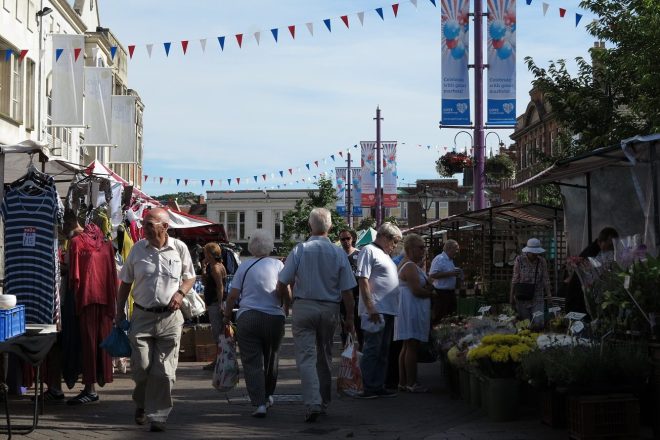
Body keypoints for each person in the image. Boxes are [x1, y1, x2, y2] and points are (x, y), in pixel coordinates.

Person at [115, 208, 195, 433]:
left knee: (165, 372)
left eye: (149, 224)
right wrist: (119, 311)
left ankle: (158, 415)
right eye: (143, 224)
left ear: (165, 227)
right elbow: (125, 283)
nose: (144, 229)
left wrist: (180, 293)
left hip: (170, 318)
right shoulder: (138, 249)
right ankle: (141, 402)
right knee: (141, 367)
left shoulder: (179, 248)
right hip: (142, 316)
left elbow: (190, 277)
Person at [277, 208, 356, 422]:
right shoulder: (338, 252)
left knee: (306, 357)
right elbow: (347, 289)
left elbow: (283, 280)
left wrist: (287, 302)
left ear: (310, 226)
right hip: (330, 308)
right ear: (330, 227)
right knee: (325, 355)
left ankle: (313, 403)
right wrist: (350, 317)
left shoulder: (300, 249)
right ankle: (324, 400)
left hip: (304, 307)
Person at [223, 230, 287, 418]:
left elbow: (233, 295)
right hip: (274, 317)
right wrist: (286, 307)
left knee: (252, 362)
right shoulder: (278, 265)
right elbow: (286, 290)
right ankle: (267, 395)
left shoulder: (244, 266)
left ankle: (259, 403)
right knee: (271, 359)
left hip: (248, 317)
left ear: (251, 247)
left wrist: (227, 315)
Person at [355, 222, 402, 399]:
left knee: (383, 350)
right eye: (394, 241)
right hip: (376, 309)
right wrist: (370, 306)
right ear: (384, 236)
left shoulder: (384, 254)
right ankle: (368, 386)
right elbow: (363, 279)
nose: (394, 246)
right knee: (373, 349)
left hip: (387, 310)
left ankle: (378, 385)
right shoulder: (368, 250)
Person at [394, 234, 435, 393]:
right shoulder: (409, 266)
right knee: (411, 345)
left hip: (410, 308)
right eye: (421, 247)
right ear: (410, 249)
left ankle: (404, 382)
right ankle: (411, 382)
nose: (424, 250)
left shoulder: (409, 264)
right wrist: (431, 291)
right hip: (411, 309)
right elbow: (417, 290)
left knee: (407, 345)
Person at [564, 227, 618, 315]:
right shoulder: (591, 254)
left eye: (614, 245)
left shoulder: (603, 252)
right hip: (579, 301)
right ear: (600, 242)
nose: (612, 248)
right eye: (610, 245)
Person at [510, 238, 552, 325]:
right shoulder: (519, 260)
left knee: (538, 322)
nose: (535, 255)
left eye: (537, 253)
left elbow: (545, 278)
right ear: (528, 251)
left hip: (537, 295)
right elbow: (515, 278)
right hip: (523, 296)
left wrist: (549, 294)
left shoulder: (541, 261)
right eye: (533, 253)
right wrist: (511, 296)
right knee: (525, 323)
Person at [201, 242, 227, 371]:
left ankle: (219, 360)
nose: (204, 255)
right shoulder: (213, 266)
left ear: (210, 254)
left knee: (217, 332)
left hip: (216, 303)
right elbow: (205, 283)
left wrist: (221, 304)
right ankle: (219, 359)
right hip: (214, 302)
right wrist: (203, 268)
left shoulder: (216, 268)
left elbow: (220, 287)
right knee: (217, 332)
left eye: (205, 252)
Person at [339, 228, 362, 348]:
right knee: (345, 326)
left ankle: (358, 348)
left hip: (357, 296)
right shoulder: (338, 254)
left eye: (348, 238)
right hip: (343, 297)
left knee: (358, 325)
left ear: (352, 239)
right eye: (342, 239)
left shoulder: (359, 254)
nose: (345, 241)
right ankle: (347, 349)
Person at [429, 240, 461, 322]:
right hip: (441, 293)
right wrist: (450, 273)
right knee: (440, 317)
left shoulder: (450, 260)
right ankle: (436, 333)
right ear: (449, 248)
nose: (457, 251)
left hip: (450, 293)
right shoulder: (439, 259)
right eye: (456, 249)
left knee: (452, 316)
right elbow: (432, 275)